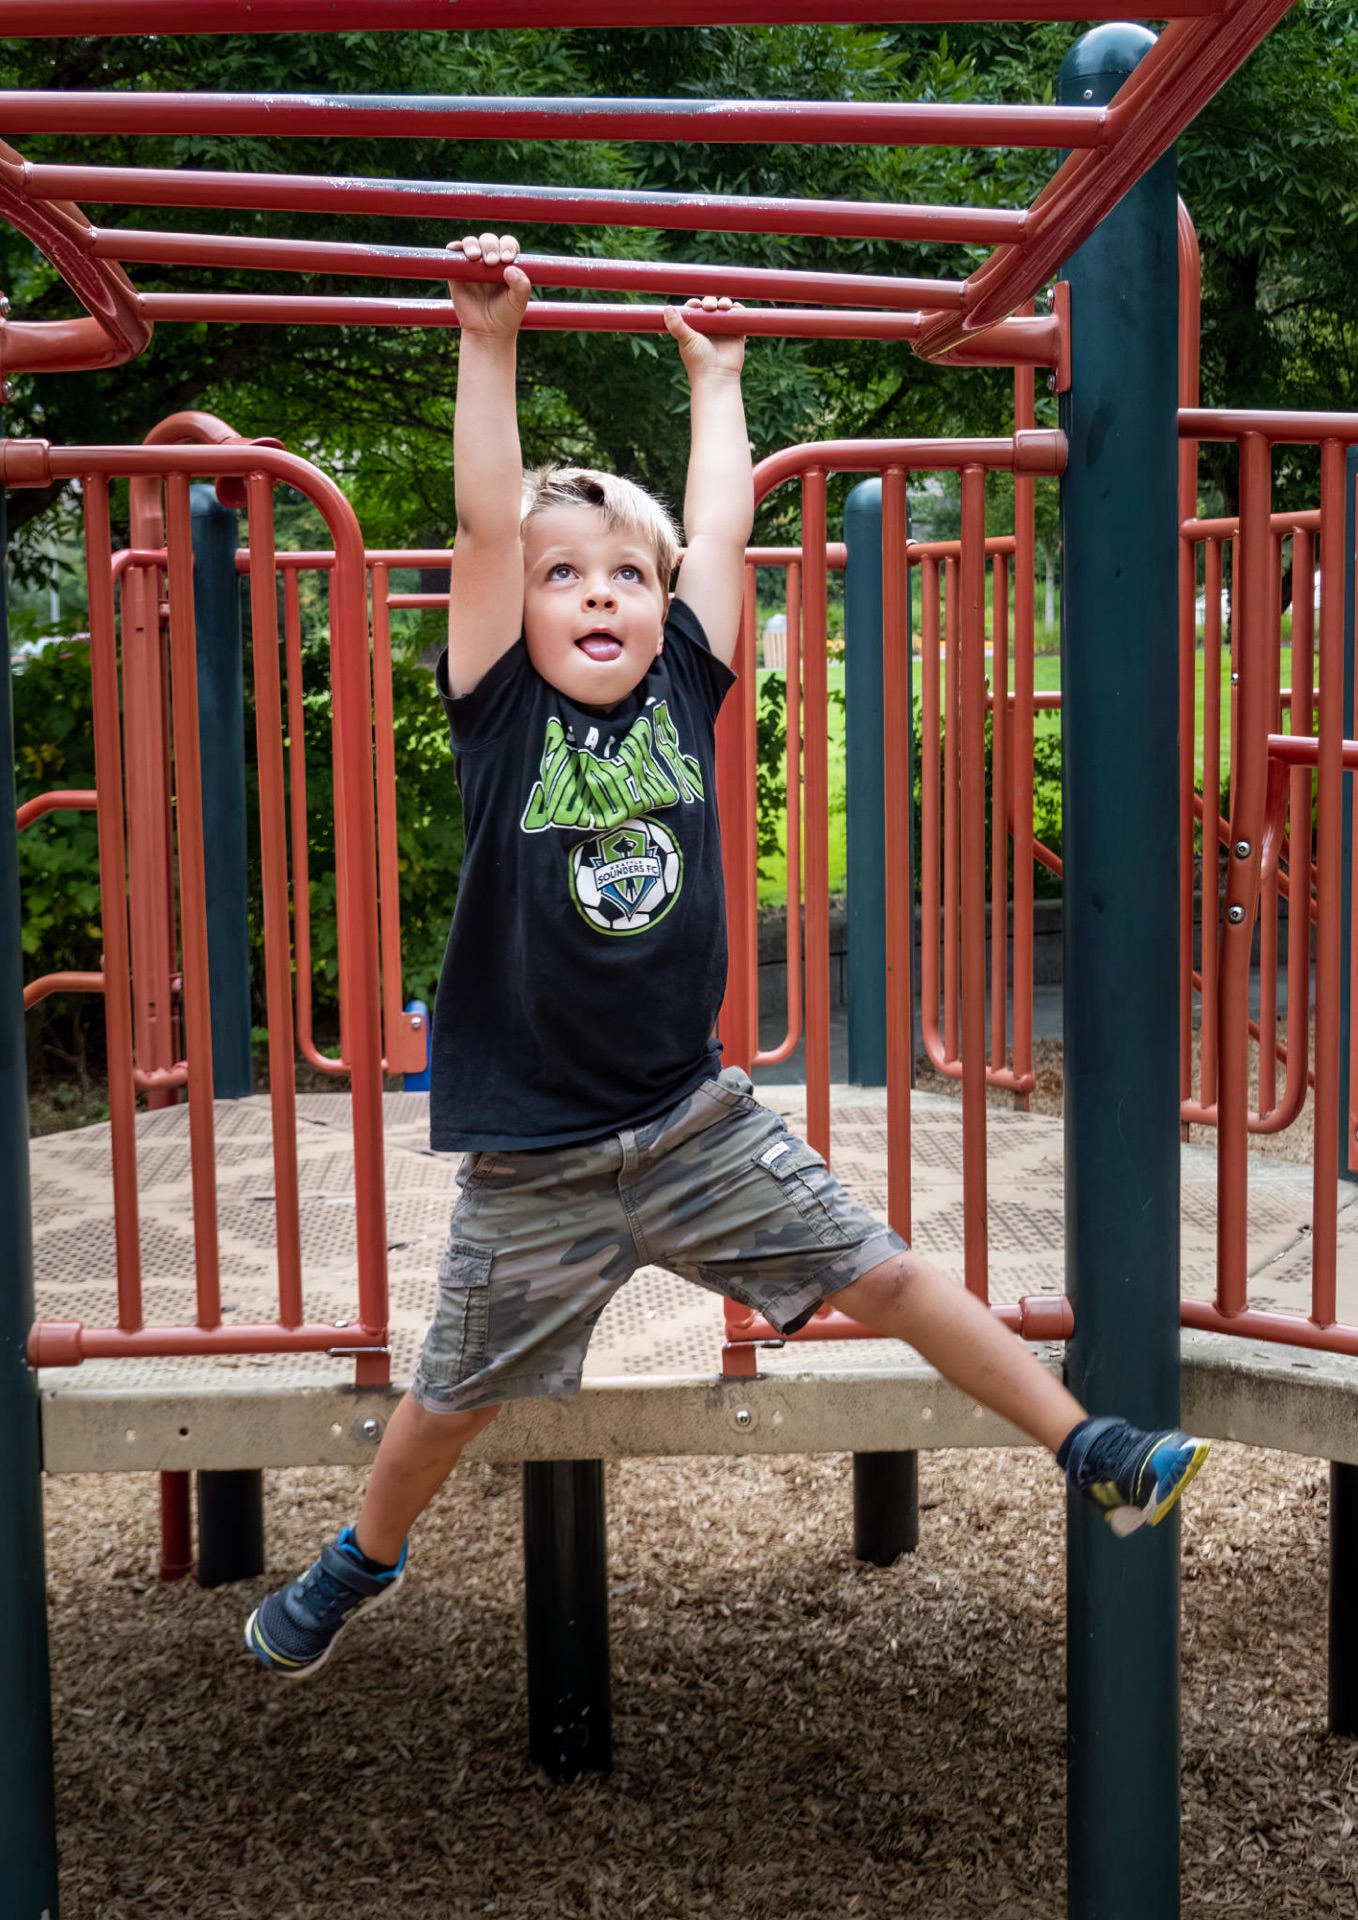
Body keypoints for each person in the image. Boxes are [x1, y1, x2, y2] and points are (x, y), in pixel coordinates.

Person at [246, 234, 1207, 1677]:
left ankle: (1092, 1450)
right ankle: (357, 1562)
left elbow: (719, 529)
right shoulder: (501, 709)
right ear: (517, 604)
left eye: (625, 577)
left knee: (886, 1271)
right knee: (448, 1394)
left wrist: (718, 379)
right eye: (562, 575)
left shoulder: (686, 687)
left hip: (690, 1120)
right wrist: (488, 343)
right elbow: (485, 524)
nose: (595, 595)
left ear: (664, 603)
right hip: (538, 1156)